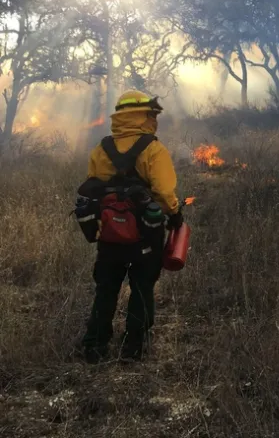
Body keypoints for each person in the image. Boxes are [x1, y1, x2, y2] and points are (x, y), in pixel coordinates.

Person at [77, 90, 183, 364]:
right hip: (145, 234)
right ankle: (133, 349)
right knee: (142, 287)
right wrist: (175, 215)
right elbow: (163, 190)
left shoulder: (101, 148)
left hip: (109, 233)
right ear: (143, 115)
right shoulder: (153, 149)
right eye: (150, 113)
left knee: (106, 289)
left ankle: (94, 346)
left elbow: (93, 185)